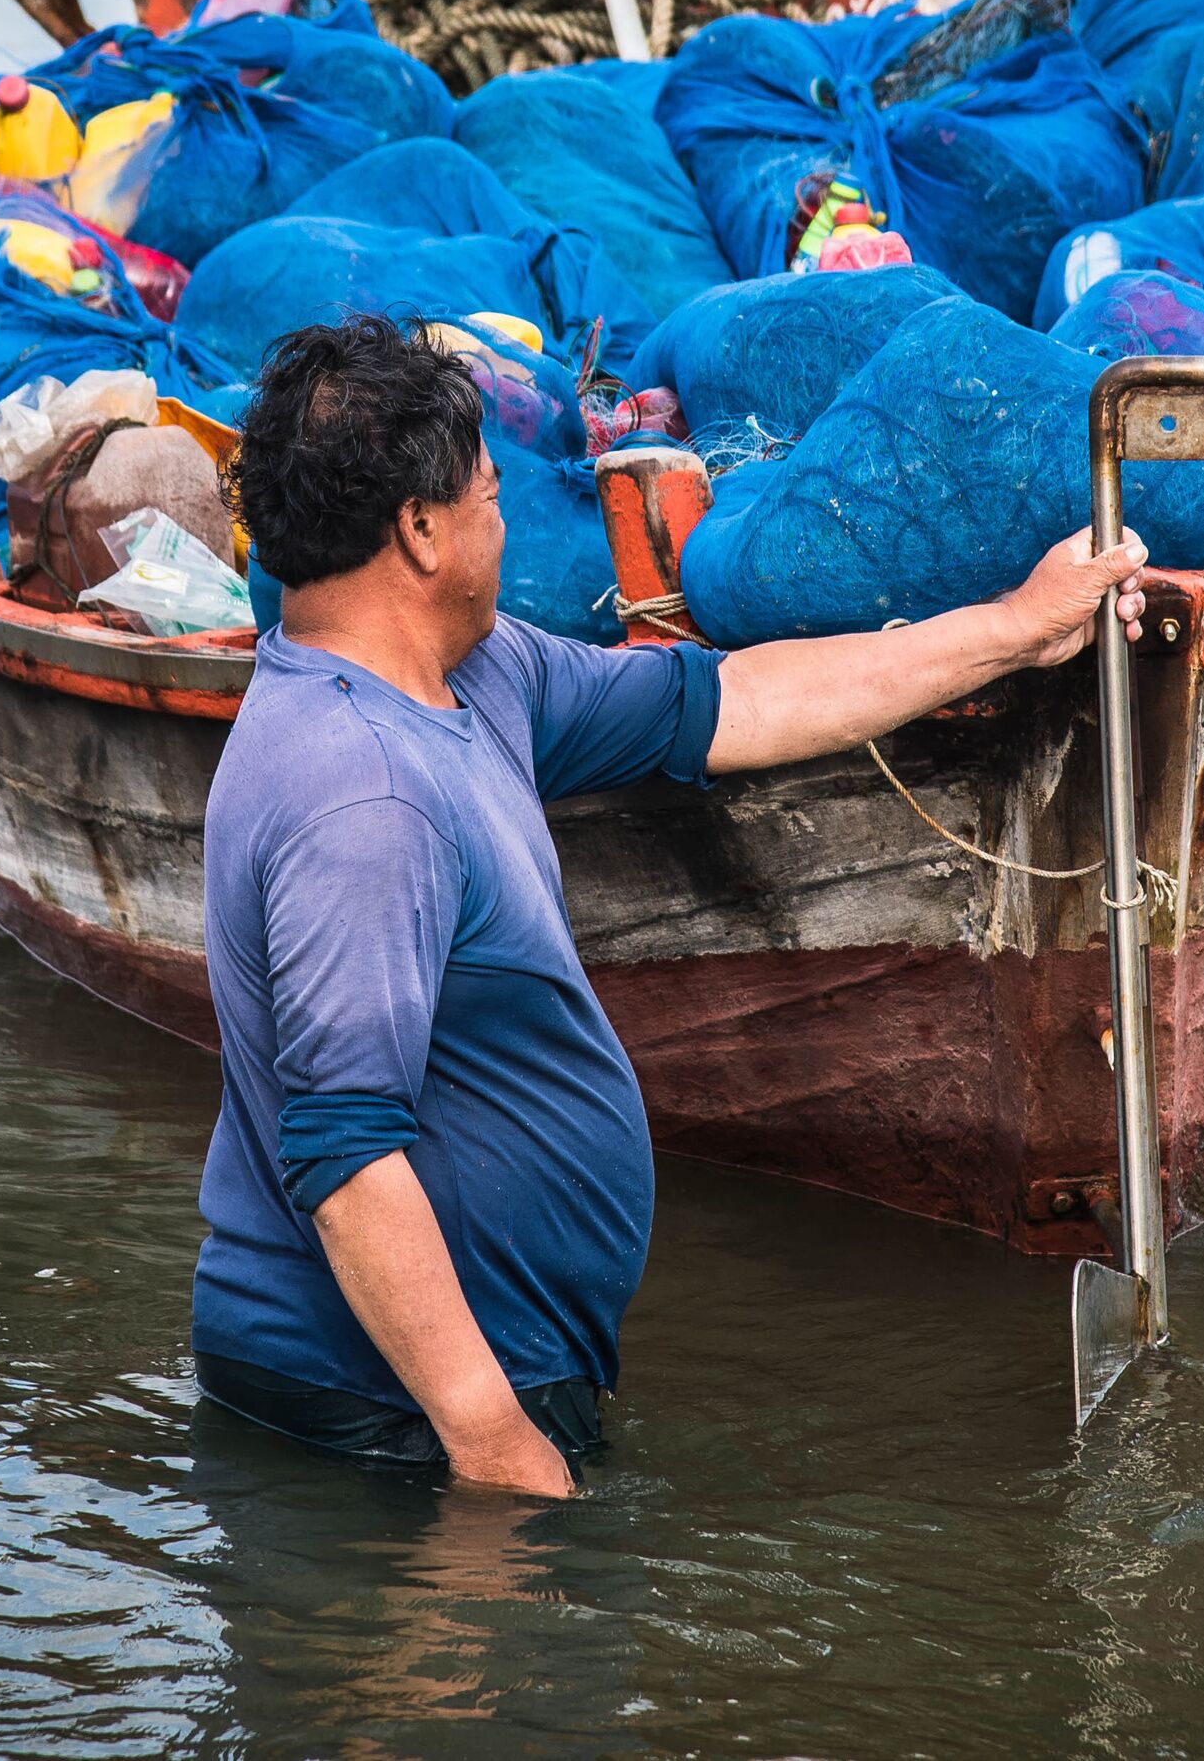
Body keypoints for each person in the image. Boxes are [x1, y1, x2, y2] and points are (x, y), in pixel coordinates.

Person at [192, 316, 1147, 1497]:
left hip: (453, 1390)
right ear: (422, 530)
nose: (506, 516)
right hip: (386, 1418)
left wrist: (1014, 628)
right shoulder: (365, 794)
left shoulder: (473, 677)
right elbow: (345, 1161)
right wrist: (494, 1446)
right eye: (493, 493)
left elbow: (731, 699)